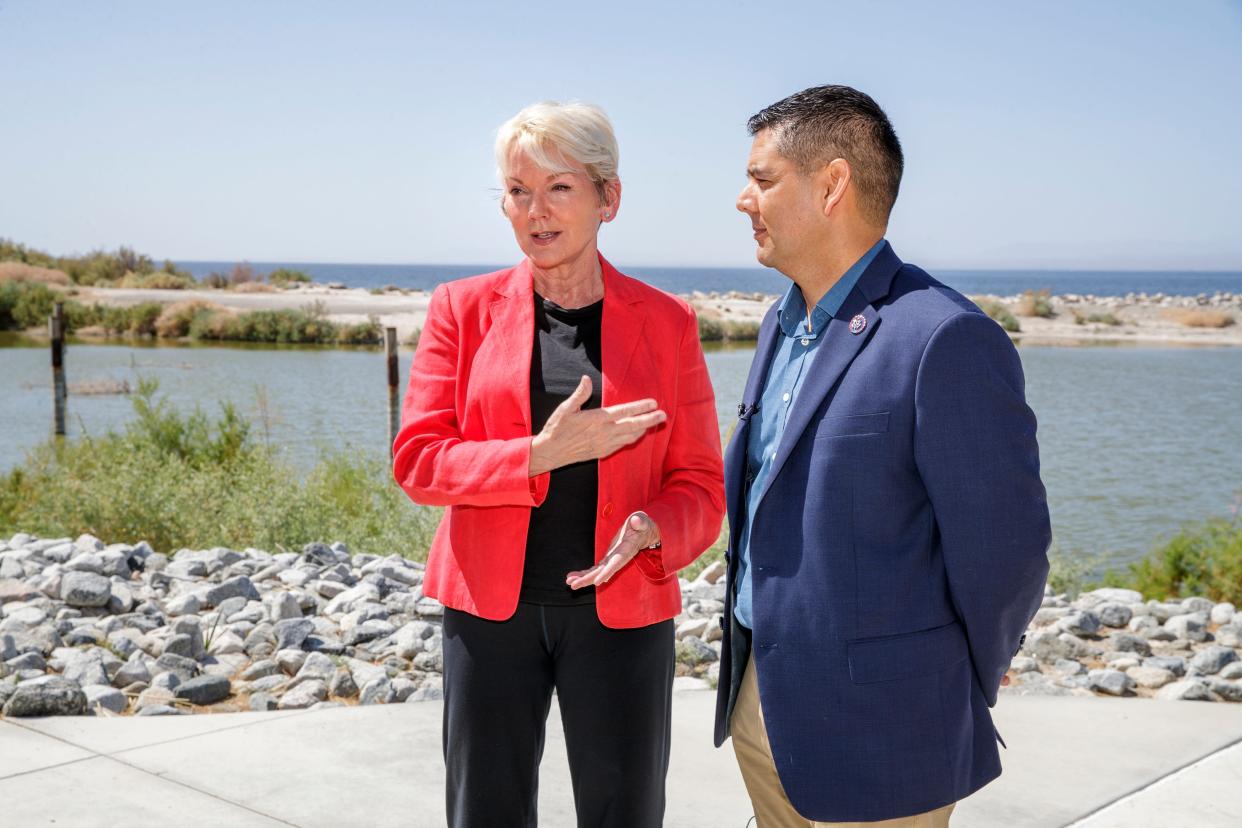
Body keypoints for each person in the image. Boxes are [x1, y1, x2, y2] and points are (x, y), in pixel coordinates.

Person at [713, 84, 1051, 827]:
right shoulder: (780, 322)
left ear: (832, 185)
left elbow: (1008, 554)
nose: (743, 199)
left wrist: (946, 684)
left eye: (762, 179)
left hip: (885, 734)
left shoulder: (944, 338)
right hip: (760, 708)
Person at [392, 100, 726, 828]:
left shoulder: (668, 322)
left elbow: (701, 485)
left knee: (624, 815)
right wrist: (539, 456)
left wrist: (653, 527)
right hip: (489, 615)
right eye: (517, 191)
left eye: (559, 188)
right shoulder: (460, 308)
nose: (534, 210)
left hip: (623, 615)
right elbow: (418, 461)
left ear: (608, 197)